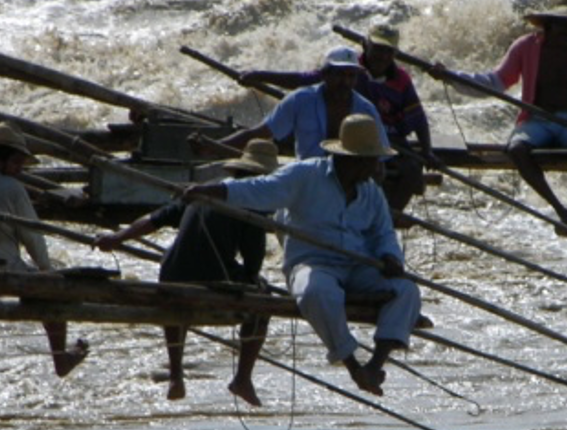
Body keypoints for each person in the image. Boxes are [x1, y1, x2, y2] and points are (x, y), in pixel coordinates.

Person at [184, 115, 419, 395]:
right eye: (372, 160)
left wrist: (391, 257)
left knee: (406, 290)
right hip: (313, 263)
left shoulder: (371, 192)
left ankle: (375, 365)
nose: (377, 167)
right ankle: (353, 366)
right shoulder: (305, 175)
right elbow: (260, 189)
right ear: (352, 159)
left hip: (357, 266)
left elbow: (384, 234)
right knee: (316, 292)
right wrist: (211, 190)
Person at [92, 140, 280, 406]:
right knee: (264, 302)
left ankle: (176, 375)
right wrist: (254, 281)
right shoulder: (252, 201)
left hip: (171, 269)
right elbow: (253, 261)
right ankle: (242, 378)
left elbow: (155, 219)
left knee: (175, 301)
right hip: (212, 275)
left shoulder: (206, 189)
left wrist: (117, 238)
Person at [422, 0, 567, 237]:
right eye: (561, 26)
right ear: (548, 25)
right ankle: (558, 209)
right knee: (516, 150)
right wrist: (450, 77)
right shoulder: (525, 47)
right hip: (537, 121)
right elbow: (495, 82)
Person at [238, 23, 437, 215]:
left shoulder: (396, 83)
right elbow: (302, 80)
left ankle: (389, 216)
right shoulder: (344, 69)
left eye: (388, 51)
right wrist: (260, 76)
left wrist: (427, 151)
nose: (382, 56)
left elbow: (418, 118)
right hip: (341, 147)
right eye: (378, 49)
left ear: (395, 54)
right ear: (365, 45)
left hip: (385, 140)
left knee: (411, 171)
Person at [0, 123, 88, 377]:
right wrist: (47, 272)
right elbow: (33, 237)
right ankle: (60, 359)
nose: (20, 169)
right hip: (1, 271)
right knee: (55, 293)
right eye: (16, 162)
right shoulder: (11, 187)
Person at [210, 47, 388, 161]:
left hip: (350, 182)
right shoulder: (300, 100)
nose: (345, 82)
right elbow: (260, 133)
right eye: (340, 75)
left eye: (351, 76)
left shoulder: (366, 110)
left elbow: (381, 156)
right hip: (306, 178)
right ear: (325, 75)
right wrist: (213, 146)